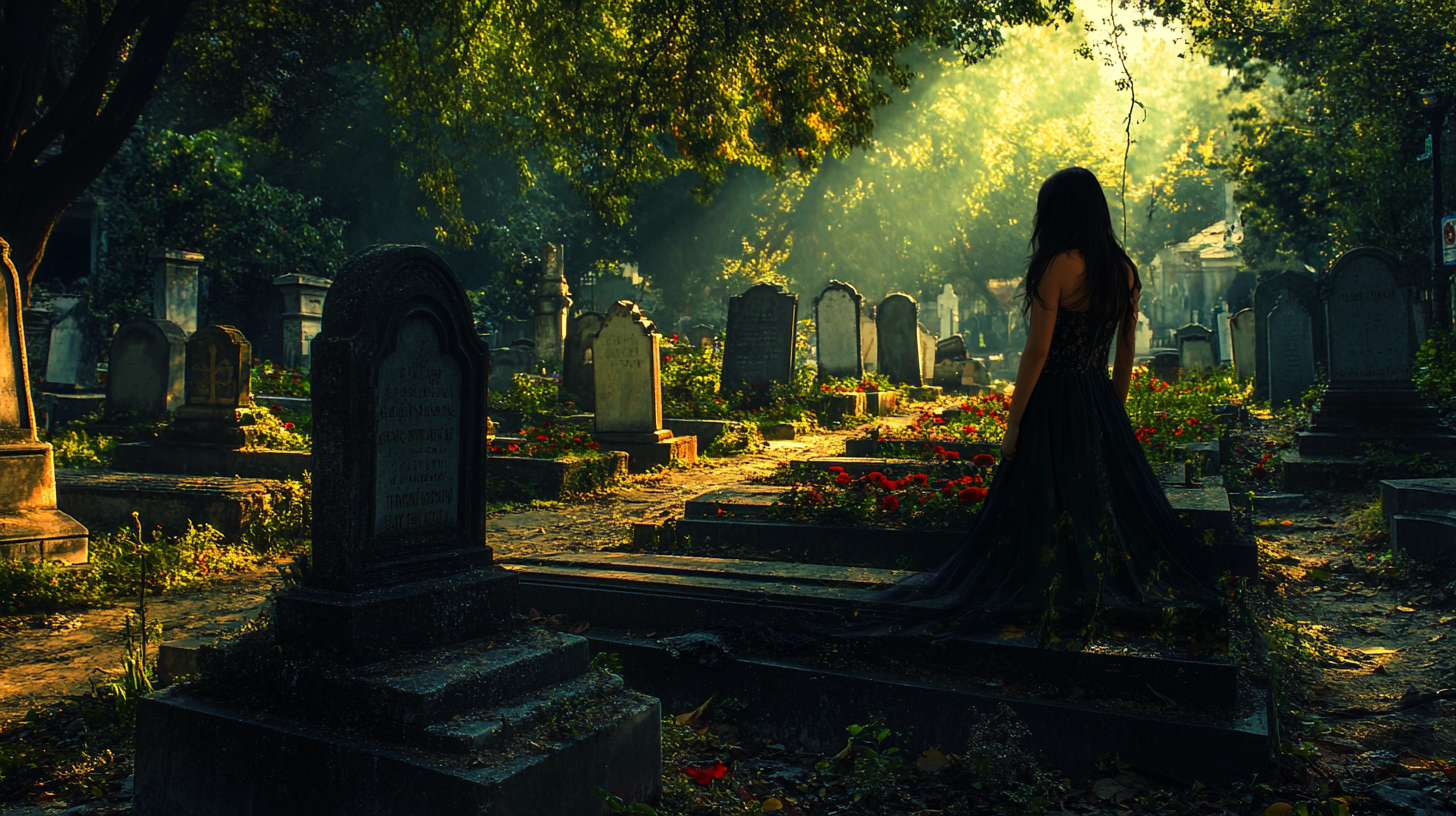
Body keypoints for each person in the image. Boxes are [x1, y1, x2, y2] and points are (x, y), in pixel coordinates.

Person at [884, 167, 1219, 637]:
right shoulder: (1124, 270)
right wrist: (1113, 415)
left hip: (1055, 398)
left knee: (1043, 496)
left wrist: (1015, 424)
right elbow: (1125, 350)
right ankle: (1088, 580)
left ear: (1057, 212)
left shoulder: (1057, 265)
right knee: (1094, 499)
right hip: (1099, 395)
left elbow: (1038, 351)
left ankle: (1054, 584)